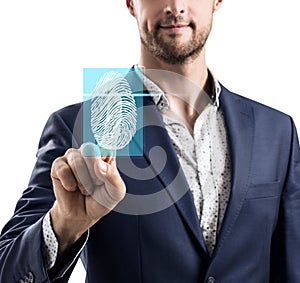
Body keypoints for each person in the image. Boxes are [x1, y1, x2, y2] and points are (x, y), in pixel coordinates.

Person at [1, 0, 300, 282]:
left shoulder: (276, 131)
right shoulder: (81, 127)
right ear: (131, 2)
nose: (175, 7)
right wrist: (64, 224)